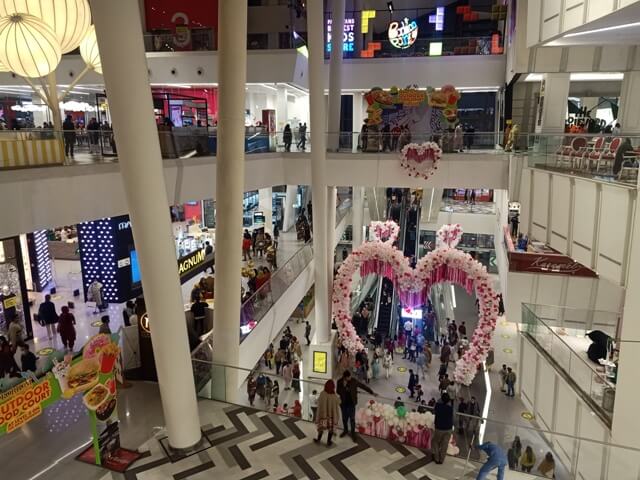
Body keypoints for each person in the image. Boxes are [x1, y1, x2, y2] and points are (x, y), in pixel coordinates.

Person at [337, 370, 375, 442]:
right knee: (344, 418)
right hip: (344, 404)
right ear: (345, 377)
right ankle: (345, 430)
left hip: (351, 403)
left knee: (352, 419)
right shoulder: (340, 382)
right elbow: (338, 391)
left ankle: (353, 433)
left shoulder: (353, 381)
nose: (350, 378)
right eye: (349, 377)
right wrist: (343, 386)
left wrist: (372, 392)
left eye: (350, 376)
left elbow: (363, 386)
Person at [314, 380, 341, 446]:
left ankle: (318, 440)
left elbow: (317, 402)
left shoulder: (322, 393)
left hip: (323, 416)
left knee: (321, 428)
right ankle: (328, 442)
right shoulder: (334, 396)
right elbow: (339, 402)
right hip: (331, 417)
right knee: (330, 429)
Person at [432, 393, 454, 464]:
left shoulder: (438, 406)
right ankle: (441, 459)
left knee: (435, 441)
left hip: (439, 428)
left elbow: (435, 407)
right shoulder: (450, 408)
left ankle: (436, 457)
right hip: (448, 428)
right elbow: (454, 416)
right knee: (445, 444)